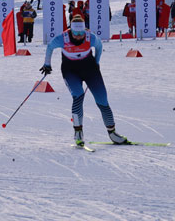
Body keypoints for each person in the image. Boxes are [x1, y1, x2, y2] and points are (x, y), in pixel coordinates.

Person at [39, 14, 127, 146]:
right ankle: (78, 132)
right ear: (71, 30)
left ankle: (112, 133)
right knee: (78, 96)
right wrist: (47, 64)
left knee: (102, 100)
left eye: (81, 32)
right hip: (70, 70)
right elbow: (50, 47)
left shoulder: (90, 37)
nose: (79, 36)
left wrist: (96, 62)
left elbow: (99, 46)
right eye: (76, 33)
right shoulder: (62, 38)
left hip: (90, 68)